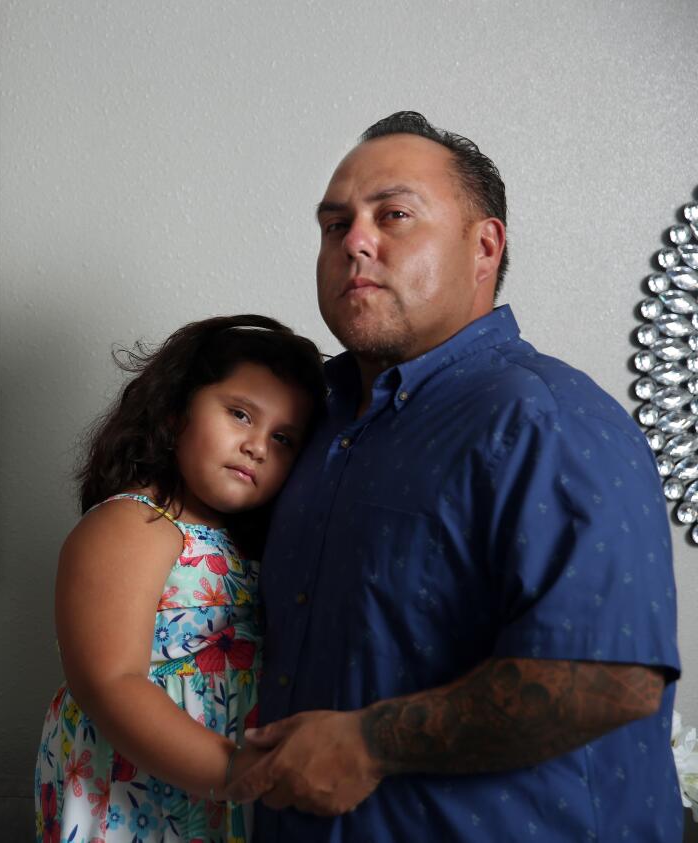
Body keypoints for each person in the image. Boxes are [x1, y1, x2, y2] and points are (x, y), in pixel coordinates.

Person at [227, 111, 683, 841]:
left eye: (394, 215)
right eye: (333, 223)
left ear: (484, 245)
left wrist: (372, 741)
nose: (355, 241)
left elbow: (609, 677)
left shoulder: (548, 419)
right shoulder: (308, 426)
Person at [35, 315, 326, 843]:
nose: (258, 445)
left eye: (283, 438)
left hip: (220, 801)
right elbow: (110, 681)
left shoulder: (252, 548)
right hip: (137, 795)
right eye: (240, 414)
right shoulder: (134, 524)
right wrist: (234, 772)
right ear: (174, 413)